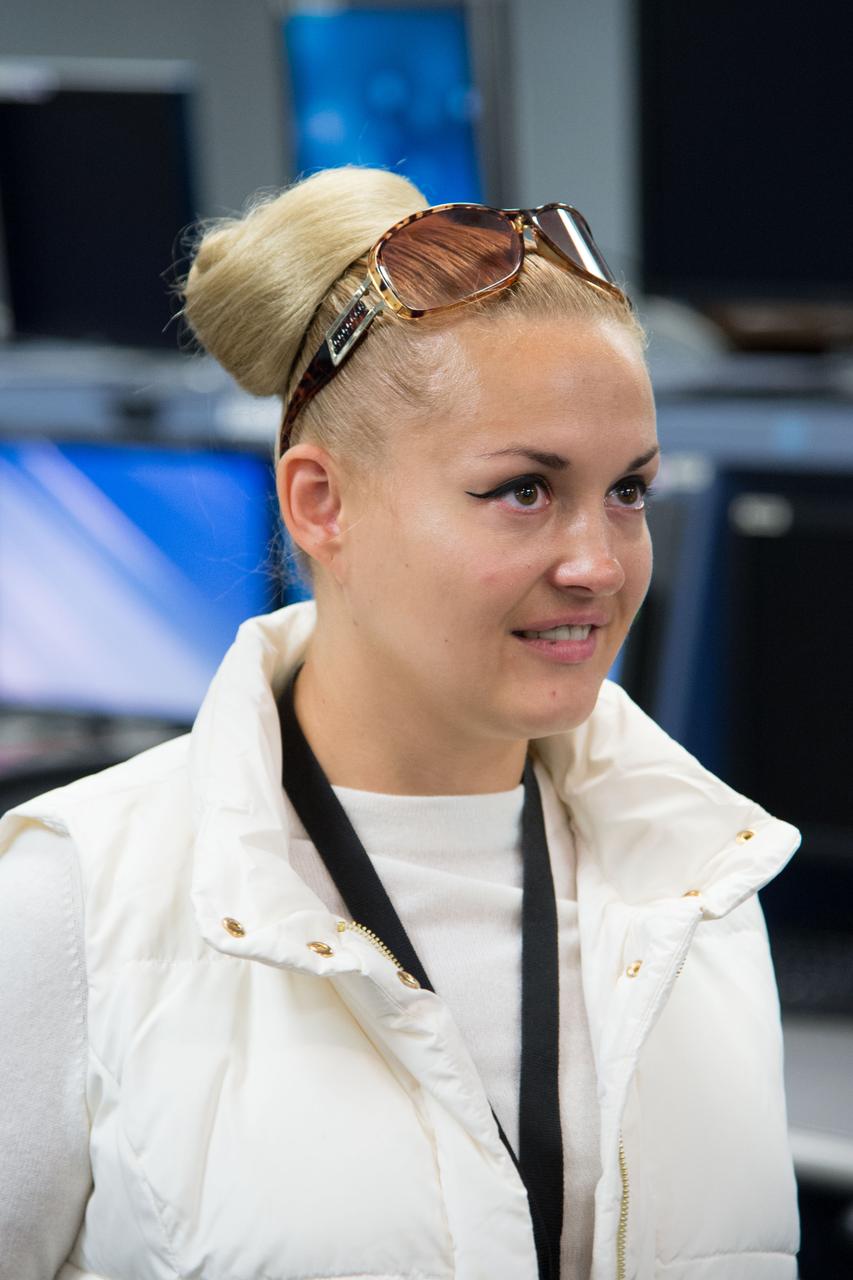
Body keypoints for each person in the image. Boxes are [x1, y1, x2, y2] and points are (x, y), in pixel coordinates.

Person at [0, 166, 801, 1280]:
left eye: (628, 489)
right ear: (319, 502)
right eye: (524, 489)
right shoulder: (75, 902)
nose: (600, 563)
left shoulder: (700, 885)